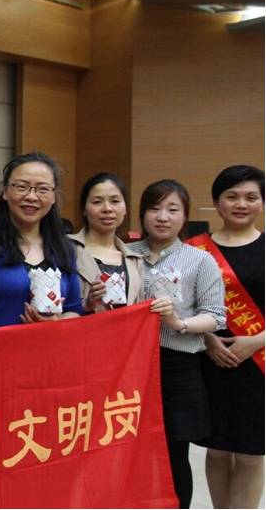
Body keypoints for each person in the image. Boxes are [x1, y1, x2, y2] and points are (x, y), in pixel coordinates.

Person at [127, 179, 226, 509]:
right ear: (142, 213)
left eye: (172, 209)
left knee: (172, 454)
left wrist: (178, 323)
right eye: (154, 208)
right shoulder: (126, 254)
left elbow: (215, 316)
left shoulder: (199, 261)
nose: (162, 217)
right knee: (128, 449)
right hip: (130, 368)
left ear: (185, 216)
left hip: (177, 366)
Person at [191, 165, 264, 509]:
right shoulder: (194, 250)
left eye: (251, 197)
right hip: (211, 361)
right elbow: (182, 306)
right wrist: (208, 340)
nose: (241, 204)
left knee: (251, 451)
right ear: (217, 202)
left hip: (260, 363)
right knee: (217, 448)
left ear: (262, 203)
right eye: (232, 196)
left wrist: (258, 340)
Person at [0, 152, 82, 326]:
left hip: (48, 343)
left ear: (53, 197)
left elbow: (74, 309)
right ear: (5, 191)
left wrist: (56, 322)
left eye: (43, 189)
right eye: (21, 187)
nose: (31, 197)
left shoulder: (64, 247)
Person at [68, 172, 144, 313]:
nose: (107, 209)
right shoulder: (67, 248)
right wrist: (86, 304)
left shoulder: (135, 260)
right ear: (84, 209)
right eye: (97, 202)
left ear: (125, 208)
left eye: (115, 201)